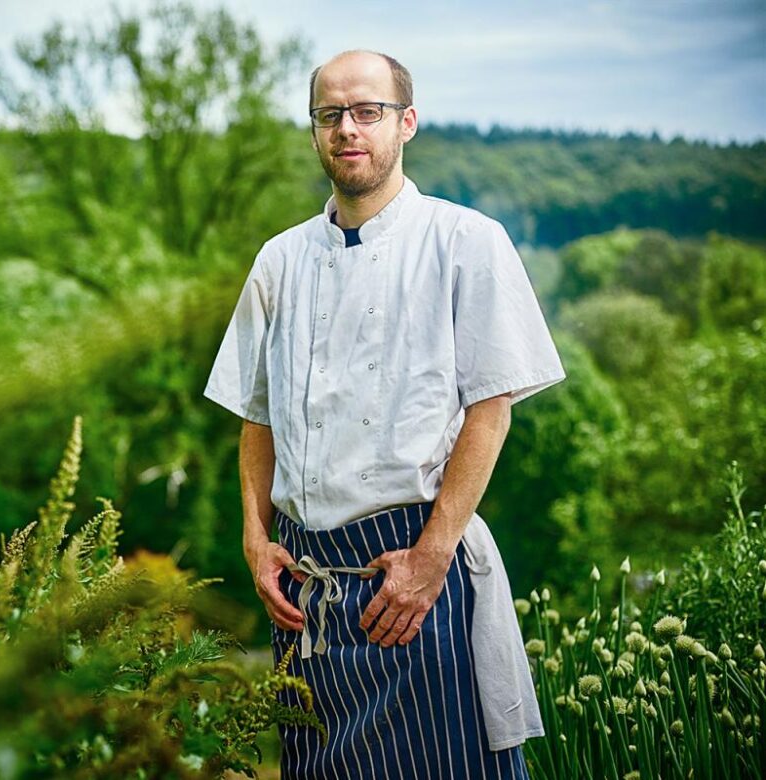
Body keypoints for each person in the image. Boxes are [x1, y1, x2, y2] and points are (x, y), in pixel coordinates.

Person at [203, 49, 565, 779]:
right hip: (306, 594)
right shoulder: (278, 261)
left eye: (366, 111)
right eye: (329, 114)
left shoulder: (466, 241)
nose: (347, 128)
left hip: (411, 573)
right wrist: (254, 537)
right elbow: (257, 414)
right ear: (314, 131)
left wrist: (431, 560)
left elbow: (490, 413)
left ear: (406, 123)